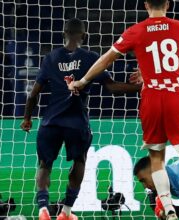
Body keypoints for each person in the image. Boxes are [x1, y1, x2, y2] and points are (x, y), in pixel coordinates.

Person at [68, 0, 179, 219]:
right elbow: (177, 63)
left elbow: (107, 59)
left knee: (156, 157)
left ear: (145, 5)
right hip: (177, 96)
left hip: (152, 96)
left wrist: (82, 80)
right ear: (168, 3)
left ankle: (169, 210)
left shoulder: (135, 31)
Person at [20, 18, 140, 220]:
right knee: (79, 161)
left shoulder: (50, 58)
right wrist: (141, 87)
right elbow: (112, 88)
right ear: (84, 35)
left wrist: (27, 118)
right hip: (76, 122)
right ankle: (66, 212)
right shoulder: (91, 58)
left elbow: (33, 93)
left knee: (44, 165)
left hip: (51, 121)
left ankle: (43, 209)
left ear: (64, 33)